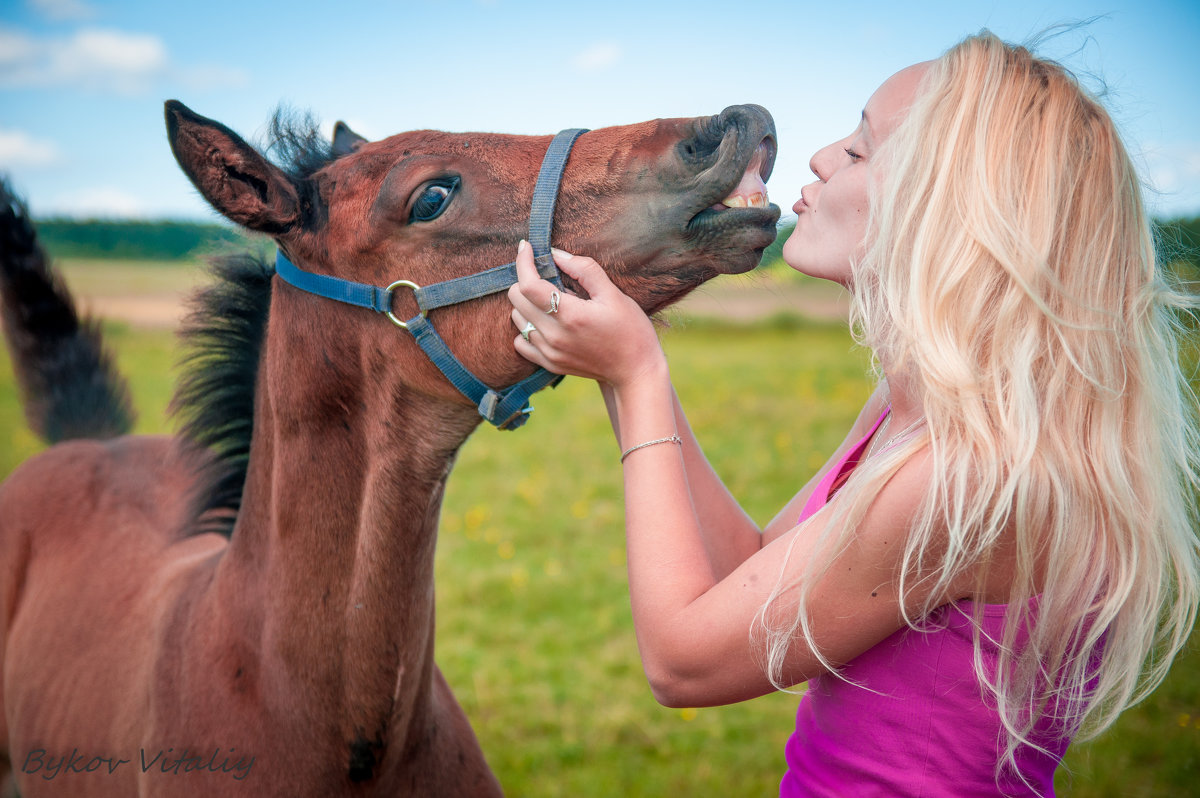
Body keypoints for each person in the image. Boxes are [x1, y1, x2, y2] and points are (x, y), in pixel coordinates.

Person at [508, 31, 1200, 797]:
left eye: (861, 152)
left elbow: (682, 663)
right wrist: (625, 361)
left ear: (952, 213)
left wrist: (637, 376)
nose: (820, 158)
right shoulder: (916, 416)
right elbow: (750, 568)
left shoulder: (970, 473)